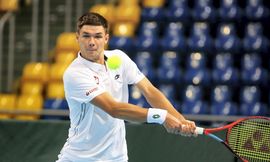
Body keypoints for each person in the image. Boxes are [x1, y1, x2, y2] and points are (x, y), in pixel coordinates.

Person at [56, 12, 197, 162]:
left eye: (97, 36)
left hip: (117, 158)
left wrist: (180, 120)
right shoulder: (75, 74)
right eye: (86, 36)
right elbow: (114, 109)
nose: (91, 42)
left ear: (106, 38)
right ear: (77, 37)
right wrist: (161, 116)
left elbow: (149, 91)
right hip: (79, 158)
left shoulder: (118, 58)